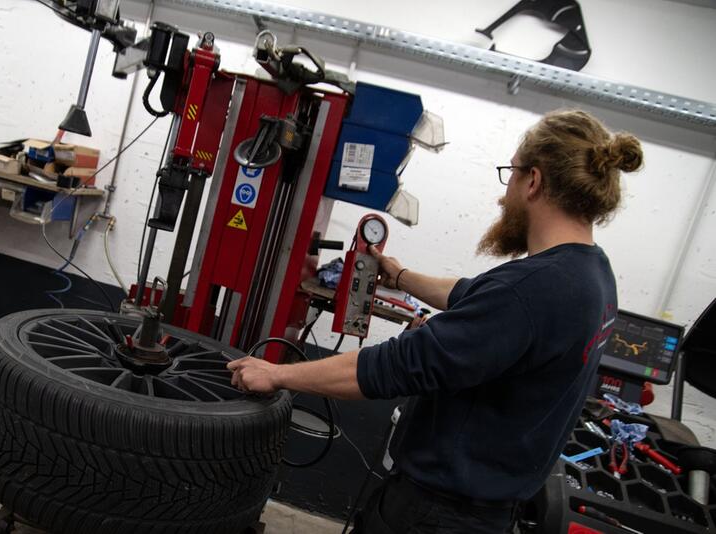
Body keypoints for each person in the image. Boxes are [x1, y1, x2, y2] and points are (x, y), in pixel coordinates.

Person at [227, 109, 644, 533]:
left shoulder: (532, 289)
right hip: (489, 509)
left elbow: (389, 367)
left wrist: (276, 374)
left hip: (438, 515)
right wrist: (401, 277)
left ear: (533, 181)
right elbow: (471, 293)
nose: (505, 195)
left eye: (512, 175)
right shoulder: (590, 273)